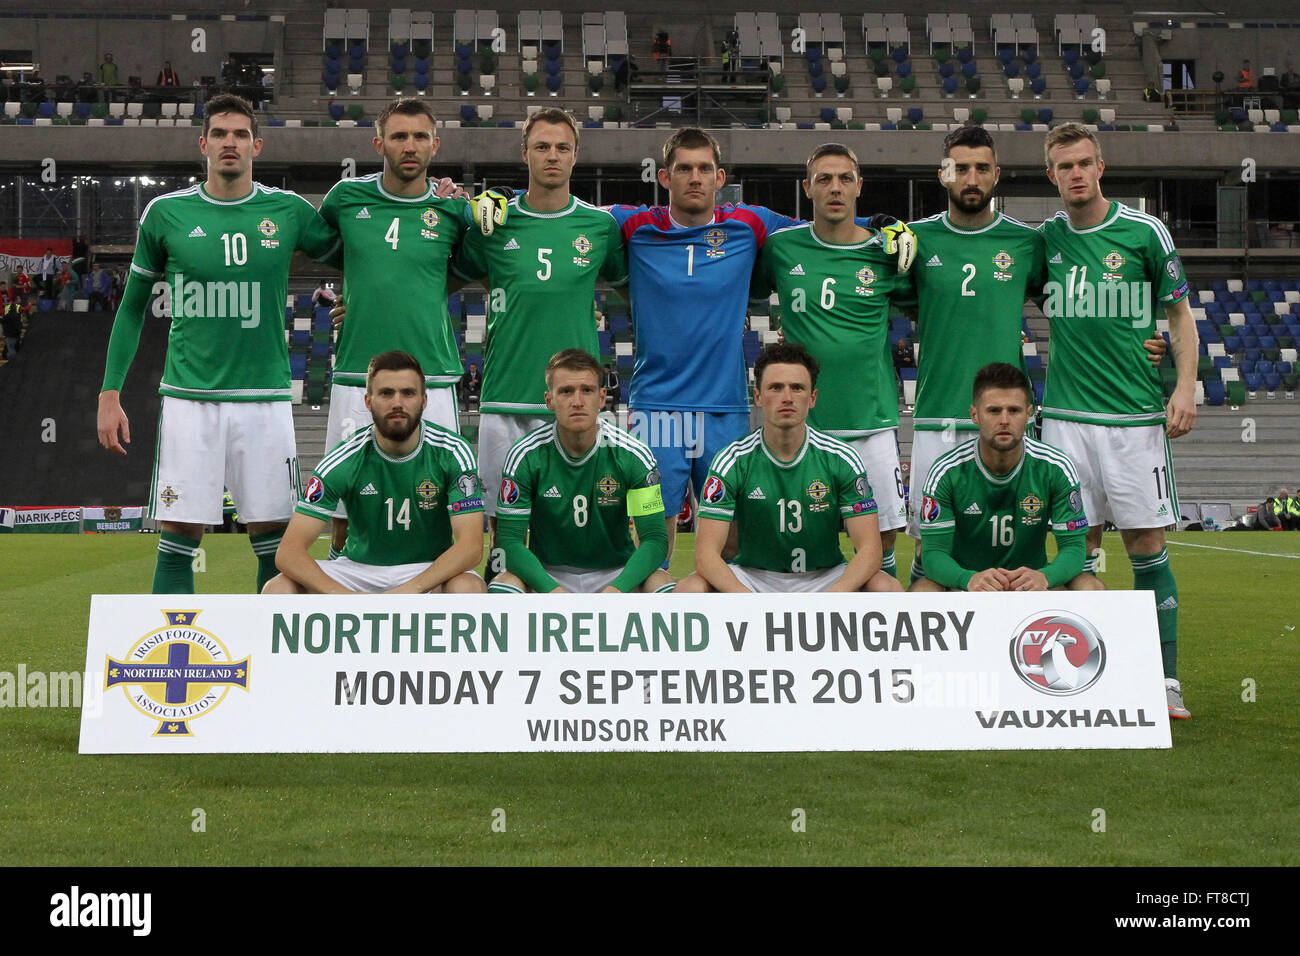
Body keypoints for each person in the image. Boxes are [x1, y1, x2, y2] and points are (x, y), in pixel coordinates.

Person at [606, 127, 915, 562]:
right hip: (654, 409)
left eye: (704, 169)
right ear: (664, 177)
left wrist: (877, 223)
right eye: (684, 169)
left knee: (733, 534)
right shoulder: (633, 223)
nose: (695, 178)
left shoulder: (750, 223)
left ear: (720, 177)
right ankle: (655, 613)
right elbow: (571, 213)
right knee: (653, 528)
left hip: (725, 410)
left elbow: (822, 227)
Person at [97, 93, 340, 594]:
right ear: (203, 143)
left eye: (241, 135)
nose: (231, 143)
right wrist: (109, 392)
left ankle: (274, 665)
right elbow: (132, 307)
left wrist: (354, 298)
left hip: (265, 399)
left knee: (274, 537)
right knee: (178, 536)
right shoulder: (166, 214)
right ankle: (170, 665)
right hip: (190, 398)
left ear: (258, 146)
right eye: (222, 134)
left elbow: (355, 251)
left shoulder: (288, 210)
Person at [903, 126, 1166, 588]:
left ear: (996, 176)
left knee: (1021, 545)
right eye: (960, 168)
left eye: (981, 168)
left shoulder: (1029, 242)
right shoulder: (913, 241)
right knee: (930, 552)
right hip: (937, 419)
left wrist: (1135, 338)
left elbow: (1076, 303)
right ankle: (934, 660)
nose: (971, 177)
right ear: (943, 174)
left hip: (1008, 419)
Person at [1039, 122, 1199, 719]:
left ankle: (1164, 682)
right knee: (1074, 551)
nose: (1075, 173)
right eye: (1064, 165)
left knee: (1147, 546)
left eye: (1084, 163)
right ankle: (1077, 680)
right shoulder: (1045, 239)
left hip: (1134, 420)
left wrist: (1184, 386)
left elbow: (1179, 318)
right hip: (1063, 421)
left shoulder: (1144, 232)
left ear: (1100, 167)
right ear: (1051, 175)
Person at [317, 97, 498, 558]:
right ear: (379, 143)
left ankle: (430, 611)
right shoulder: (345, 198)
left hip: (433, 378)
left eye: (420, 136)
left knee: (442, 513)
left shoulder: (455, 212)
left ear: (435, 145)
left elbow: (474, 270)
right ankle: (350, 600)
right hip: (357, 377)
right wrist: (351, 298)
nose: (410, 145)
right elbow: (333, 256)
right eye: (399, 136)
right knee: (342, 520)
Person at [451, 107, 628, 577]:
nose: (552, 155)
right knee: (497, 528)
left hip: (572, 404)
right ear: (524, 153)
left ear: (576, 157)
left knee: (577, 518)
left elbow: (637, 287)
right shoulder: (495, 222)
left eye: (562, 147)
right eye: (542, 146)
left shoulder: (599, 227)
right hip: (505, 397)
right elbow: (441, 278)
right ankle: (499, 620)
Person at [751, 143, 911, 583]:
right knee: (801, 533)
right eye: (824, 179)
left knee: (885, 536)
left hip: (869, 419)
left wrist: (889, 228)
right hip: (805, 425)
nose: (834, 188)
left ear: (859, 186)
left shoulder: (888, 252)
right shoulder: (782, 247)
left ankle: (882, 627)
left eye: (844, 179)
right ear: (807, 189)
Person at [678, 343, 898, 593]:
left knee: (885, 586)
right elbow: (706, 554)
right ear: (758, 397)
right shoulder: (731, 460)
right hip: (754, 579)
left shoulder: (842, 457)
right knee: (690, 588)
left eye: (797, 388)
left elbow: (870, 549)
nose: (787, 397)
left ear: (812, 398)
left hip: (824, 577)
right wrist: (751, 602)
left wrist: (831, 597)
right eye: (776, 387)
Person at [263, 351, 485, 594]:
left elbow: (471, 546)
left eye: (408, 393)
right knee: (278, 589)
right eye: (386, 393)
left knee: (468, 587)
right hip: (359, 571)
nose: (397, 403)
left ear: (424, 401)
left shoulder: (452, 451)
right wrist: (347, 598)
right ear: (369, 401)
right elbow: (288, 553)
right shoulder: (344, 458)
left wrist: (408, 590)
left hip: (426, 568)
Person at [489, 349, 672, 594]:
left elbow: (654, 540)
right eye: (566, 391)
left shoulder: (632, 454)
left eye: (587, 390)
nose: (577, 401)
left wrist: (617, 590)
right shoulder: (525, 456)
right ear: (549, 400)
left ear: (602, 397)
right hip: (547, 572)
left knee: (662, 586)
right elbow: (509, 543)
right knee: (504, 586)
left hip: (615, 572)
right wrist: (551, 590)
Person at [911, 363, 1100, 593]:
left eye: (1014, 410)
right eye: (993, 411)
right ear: (974, 415)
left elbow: (1073, 549)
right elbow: (933, 555)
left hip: (1031, 585)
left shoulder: (1055, 467)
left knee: (1089, 586)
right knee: (924, 590)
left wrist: (1044, 576)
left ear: (1029, 414)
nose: (1004, 420)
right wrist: (967, 579)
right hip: (969, 585)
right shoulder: (946, 472)